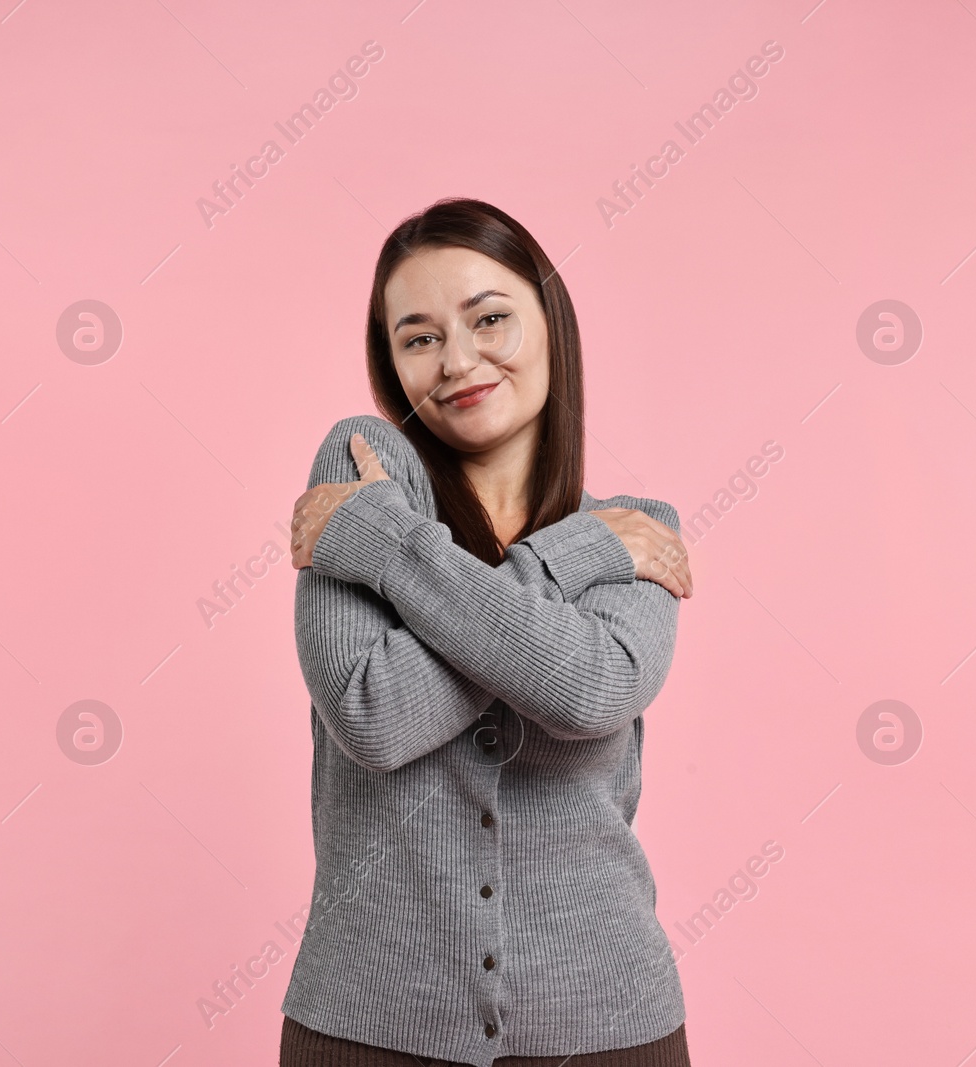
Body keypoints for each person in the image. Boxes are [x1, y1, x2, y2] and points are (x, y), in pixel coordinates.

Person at [280, 198, 695, 1067]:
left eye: (489, 319)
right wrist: (568, 562)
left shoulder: (636, 528)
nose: (458, 360)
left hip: (608, 1026)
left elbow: (589, 690)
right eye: (419, 337)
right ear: (393, 366)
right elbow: (373, 714)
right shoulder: (366, 471)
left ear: (551, 322)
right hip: (370, 1027)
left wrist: (387, 549)